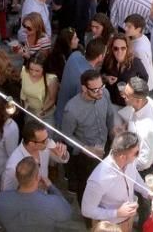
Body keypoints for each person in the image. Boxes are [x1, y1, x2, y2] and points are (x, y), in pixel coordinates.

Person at [62, 69, 115, 204]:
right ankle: (88, 218)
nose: (100, 92)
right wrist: (86, 149)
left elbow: (110, 115)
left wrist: (113, 131)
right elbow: (67, 136)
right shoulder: (72, 109)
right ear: (84, 88)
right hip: (86, 156)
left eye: (101, 87)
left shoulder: (105, 94)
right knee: (86, 187)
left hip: (106, 146)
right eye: (95, 90)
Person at [81, 131, 148, 230]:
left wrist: (148, 193)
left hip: (127, 220)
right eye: (136, 153)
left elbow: (135, 177)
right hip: (109, 227)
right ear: (122, 157)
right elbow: (86, 210)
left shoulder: (130, 162)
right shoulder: (98, 179)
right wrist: (117, 213)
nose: (138, 155)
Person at [0, 156, 72, 232]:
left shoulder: (0, 199)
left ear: (16, 176)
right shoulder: (53, 202)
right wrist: (51, 186)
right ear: (38, 178)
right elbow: (67, 213)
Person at [2, 121, 69, 191]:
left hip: (44, 193)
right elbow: (8, 191)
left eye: (47, 137)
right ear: (31, 144)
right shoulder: (13, 165)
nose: (48, 142)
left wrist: (62, 153)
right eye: (44, 141)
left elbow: (62, 159)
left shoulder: (46, 144)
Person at [55, 37, 106, 127]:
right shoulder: (86, 79)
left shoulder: (74, 55)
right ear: (100, 57)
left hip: (59, 112)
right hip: (68, 124)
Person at [102, 35, 148, 108]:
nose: (119, 51)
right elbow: (101, 74)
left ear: (127, 48)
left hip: (128, 105)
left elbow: (144, 79)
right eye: (116, 48)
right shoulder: (108, 60)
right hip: (110, 102)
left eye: (123, 48)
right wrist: (106, 78)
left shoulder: (135, 62)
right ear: (111, 49)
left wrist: (131, 89)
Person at [20, 52, 58, 123]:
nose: (33, 73)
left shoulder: (51, 79)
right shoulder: (24, 72)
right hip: (29, 111)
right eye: (31, 69)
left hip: (45, 114)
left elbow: (52, 100)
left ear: (45, 69)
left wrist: (42, 112)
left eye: (37, 71)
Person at [124, 13, 153, 91]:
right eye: (126, 26)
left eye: (129, 27)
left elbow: (143, 71)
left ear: (138, 29)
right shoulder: (143, 37)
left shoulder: (139, 50)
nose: (125, 28)